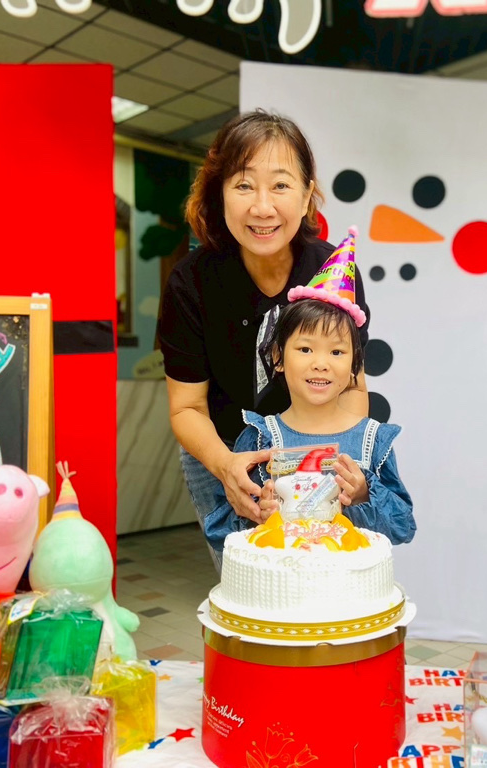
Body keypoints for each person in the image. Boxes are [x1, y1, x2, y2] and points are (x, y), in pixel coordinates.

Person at [158, 110, 371, 571]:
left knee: (320, 576)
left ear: (307, 193)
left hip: (316, 453)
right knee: (248, 583)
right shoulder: (190, 283)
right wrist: (225, 466)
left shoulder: (333, 270)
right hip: (220, 449)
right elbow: (186, 407)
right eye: (243, 185)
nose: (262, 207)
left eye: (280, 185)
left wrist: (345, 460)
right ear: (219, 193)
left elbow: (352, 386)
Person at [202, 228, 415, 557]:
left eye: (337, 352)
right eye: (305, 349)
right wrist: (257, 514)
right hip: (279, 587)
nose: (321, 364)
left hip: (347, 588)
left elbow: (402, 528)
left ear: (355, 364)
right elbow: (219, 531)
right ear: (278, 357)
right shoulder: (260, 439)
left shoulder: (373, 441)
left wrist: (364, 494)